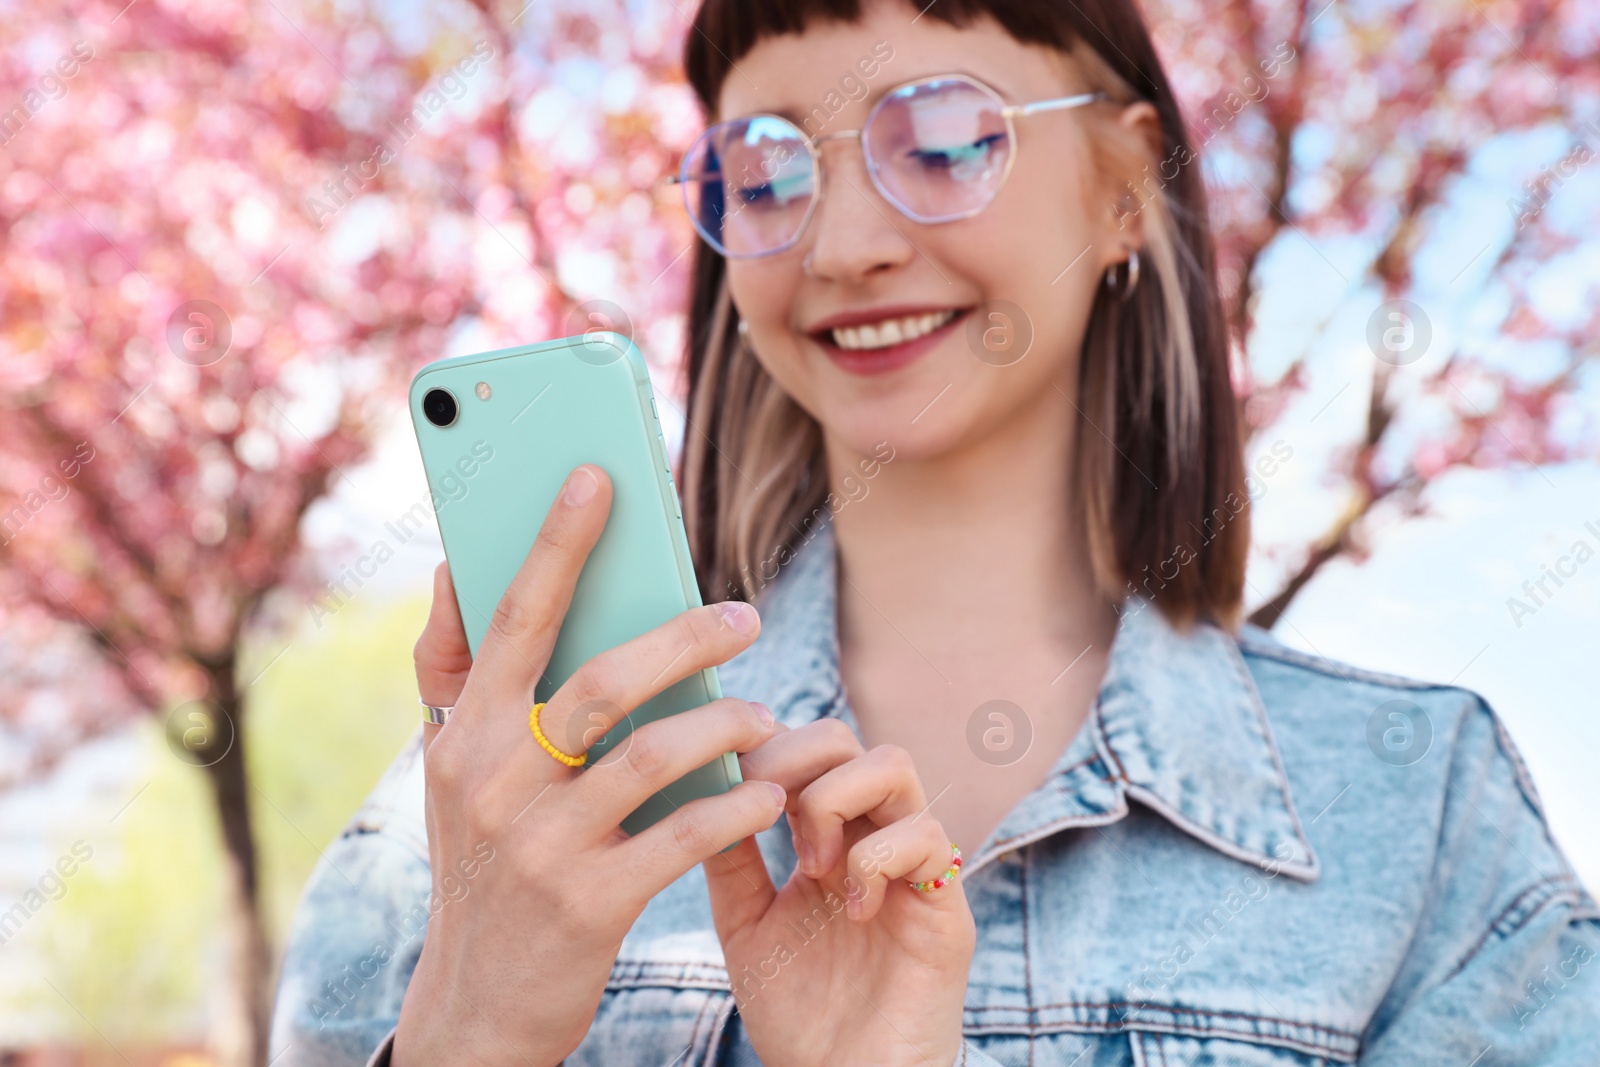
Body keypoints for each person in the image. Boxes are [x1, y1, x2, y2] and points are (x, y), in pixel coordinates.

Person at [269, 0, 1600, 1063]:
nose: (844, 243)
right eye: (768, 170)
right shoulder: (488, 807)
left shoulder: (1416, 814)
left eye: (950, 142)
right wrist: (467, 1044)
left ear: (1128, 184)